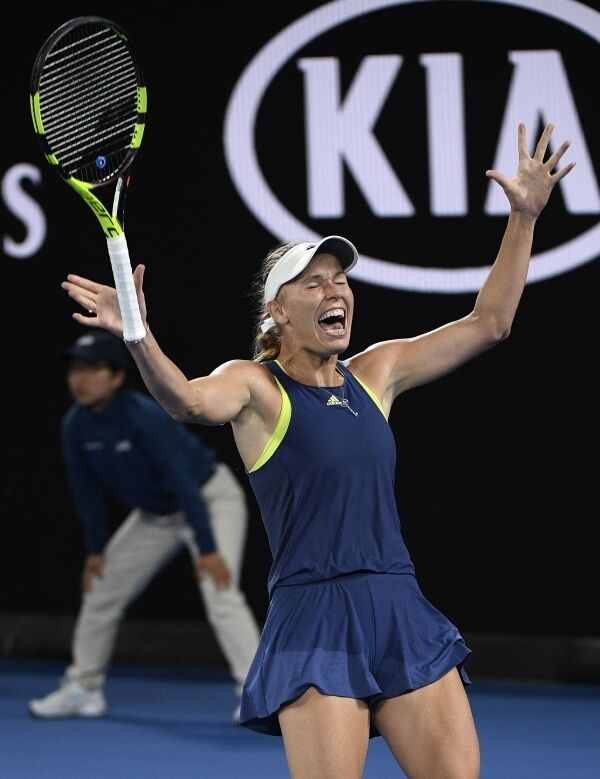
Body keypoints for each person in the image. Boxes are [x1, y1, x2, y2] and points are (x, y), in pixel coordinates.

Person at [60, 123, 573, 777]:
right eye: (313, 282)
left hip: (398, 605)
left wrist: (523, 218)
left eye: (340, 279)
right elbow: (187, 401)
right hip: (314, 616)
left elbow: (490, 322)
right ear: (276, 310)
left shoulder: (377, 372)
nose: (336, 290)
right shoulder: (254, 387)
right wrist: (137, 333)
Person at [29, 329, 261, 722]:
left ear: (117, 376)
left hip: (208, 499)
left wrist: (207, 549)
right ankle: (84, 688)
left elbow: (182, 483)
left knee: (220, 593)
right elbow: (86, 493)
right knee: (101, 589)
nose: (80, 379)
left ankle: (257, 694)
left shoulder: (144, 417)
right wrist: (95, 549)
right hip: (157, 516)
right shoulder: (75, 426)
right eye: (75, 370)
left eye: (92, 369)